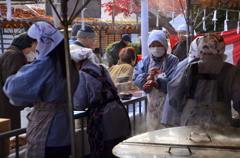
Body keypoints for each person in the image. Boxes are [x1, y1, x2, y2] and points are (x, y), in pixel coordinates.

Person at [3, 22, 79, 158]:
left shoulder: (44, 65)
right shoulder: (70, 63)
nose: (33, 49)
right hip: (65, 126)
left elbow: (13, 88)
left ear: (40, 43)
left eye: (33, 45)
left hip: (46, 126)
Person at [168, 33, 240, 127]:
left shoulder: (190, 68)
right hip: (220, 121)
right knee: (219, 141)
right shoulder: (232, 70)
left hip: (191, 120)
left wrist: (187, 107)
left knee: (191, 141)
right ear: (222, 50)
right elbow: (238, 99)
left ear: (201, 50)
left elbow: (175, 95)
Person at [71, 47, 131, 158]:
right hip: (119, 112)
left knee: (107, 152)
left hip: (103, 118)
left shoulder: (82, 74)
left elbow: (79, 104)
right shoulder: (102, 68)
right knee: (121, 151)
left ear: (76, 63)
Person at [133, 30, 179, 131]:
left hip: (167, 104)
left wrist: (157, 83)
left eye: (159, 44)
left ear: (165, 46)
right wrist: (147, 78)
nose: (156, 47)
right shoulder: (145, 61)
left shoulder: (173, 60)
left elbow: (175, 81)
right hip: (151, 106)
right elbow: (136, 77)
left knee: (167, 132)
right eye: (153, 45)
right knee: (153, 133)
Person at [161, 37, 202, 127]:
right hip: (175, 116)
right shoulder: (187, 65)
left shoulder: (196, 64)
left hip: (175, 115)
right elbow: (176, 93)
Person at [0, 33, 37, 130]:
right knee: (11, 133)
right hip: (8, 106)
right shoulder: (12, 55)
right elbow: (13, 82)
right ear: (27, 44)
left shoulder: (17, 55)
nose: (35, 49)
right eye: (35, 45)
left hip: (11, 105)